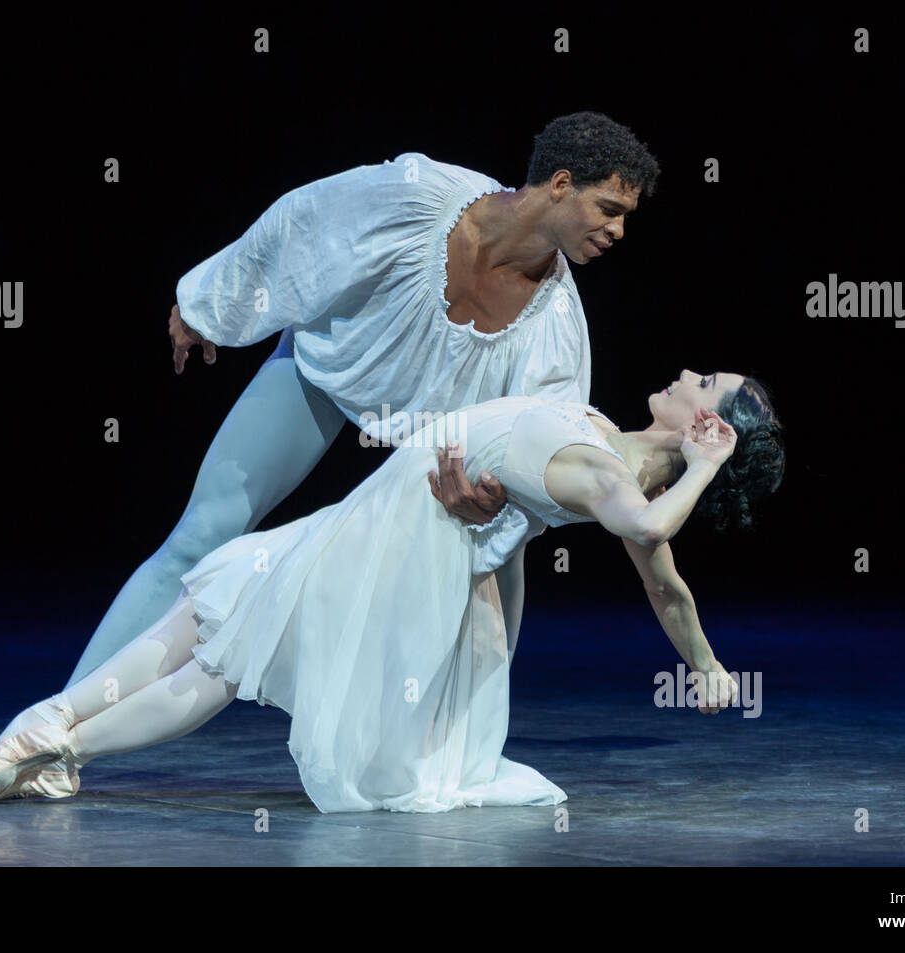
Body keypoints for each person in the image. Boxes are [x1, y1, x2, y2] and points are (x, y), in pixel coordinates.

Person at [0, 370, 785, 813]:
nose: (685, 372)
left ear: (706, 430)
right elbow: (655, 551)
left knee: (228, 629)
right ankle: (55, 740)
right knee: (227, 628)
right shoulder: (603, 443)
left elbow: (657, 562)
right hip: (394, 520)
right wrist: (707, 664)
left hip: (397, 536)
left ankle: (50, 732)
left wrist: (708, 661)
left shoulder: (608, 470)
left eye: (704, 381)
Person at [61, 111, 662, 699]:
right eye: (609, 210)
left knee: (492, 580)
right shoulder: (424, 196)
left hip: (432, 446)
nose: (618, 231)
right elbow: (306, 220)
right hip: (330, 362)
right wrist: (209, 304)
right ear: (560, 184)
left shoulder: (555, 324)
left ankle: (455, 748)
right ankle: (48, 726)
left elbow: (547, 437)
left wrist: (495, 502)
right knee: (202, 535)